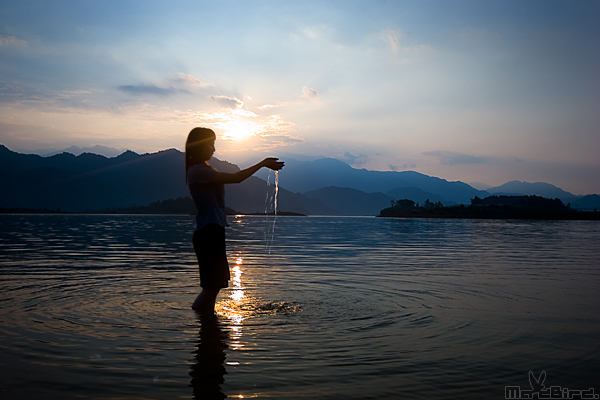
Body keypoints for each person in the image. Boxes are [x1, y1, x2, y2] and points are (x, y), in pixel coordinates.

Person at [185, 127, 284, 314]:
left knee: (215, 285)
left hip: (212, 230)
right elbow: (237, 178)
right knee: (212, 286)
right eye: (210, 144)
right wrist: (262, 163)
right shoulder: (199, 171)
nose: (213, 149)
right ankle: (200, 320)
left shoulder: (202, 170)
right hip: (208, 232)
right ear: (199, 146)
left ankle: (208, 326)